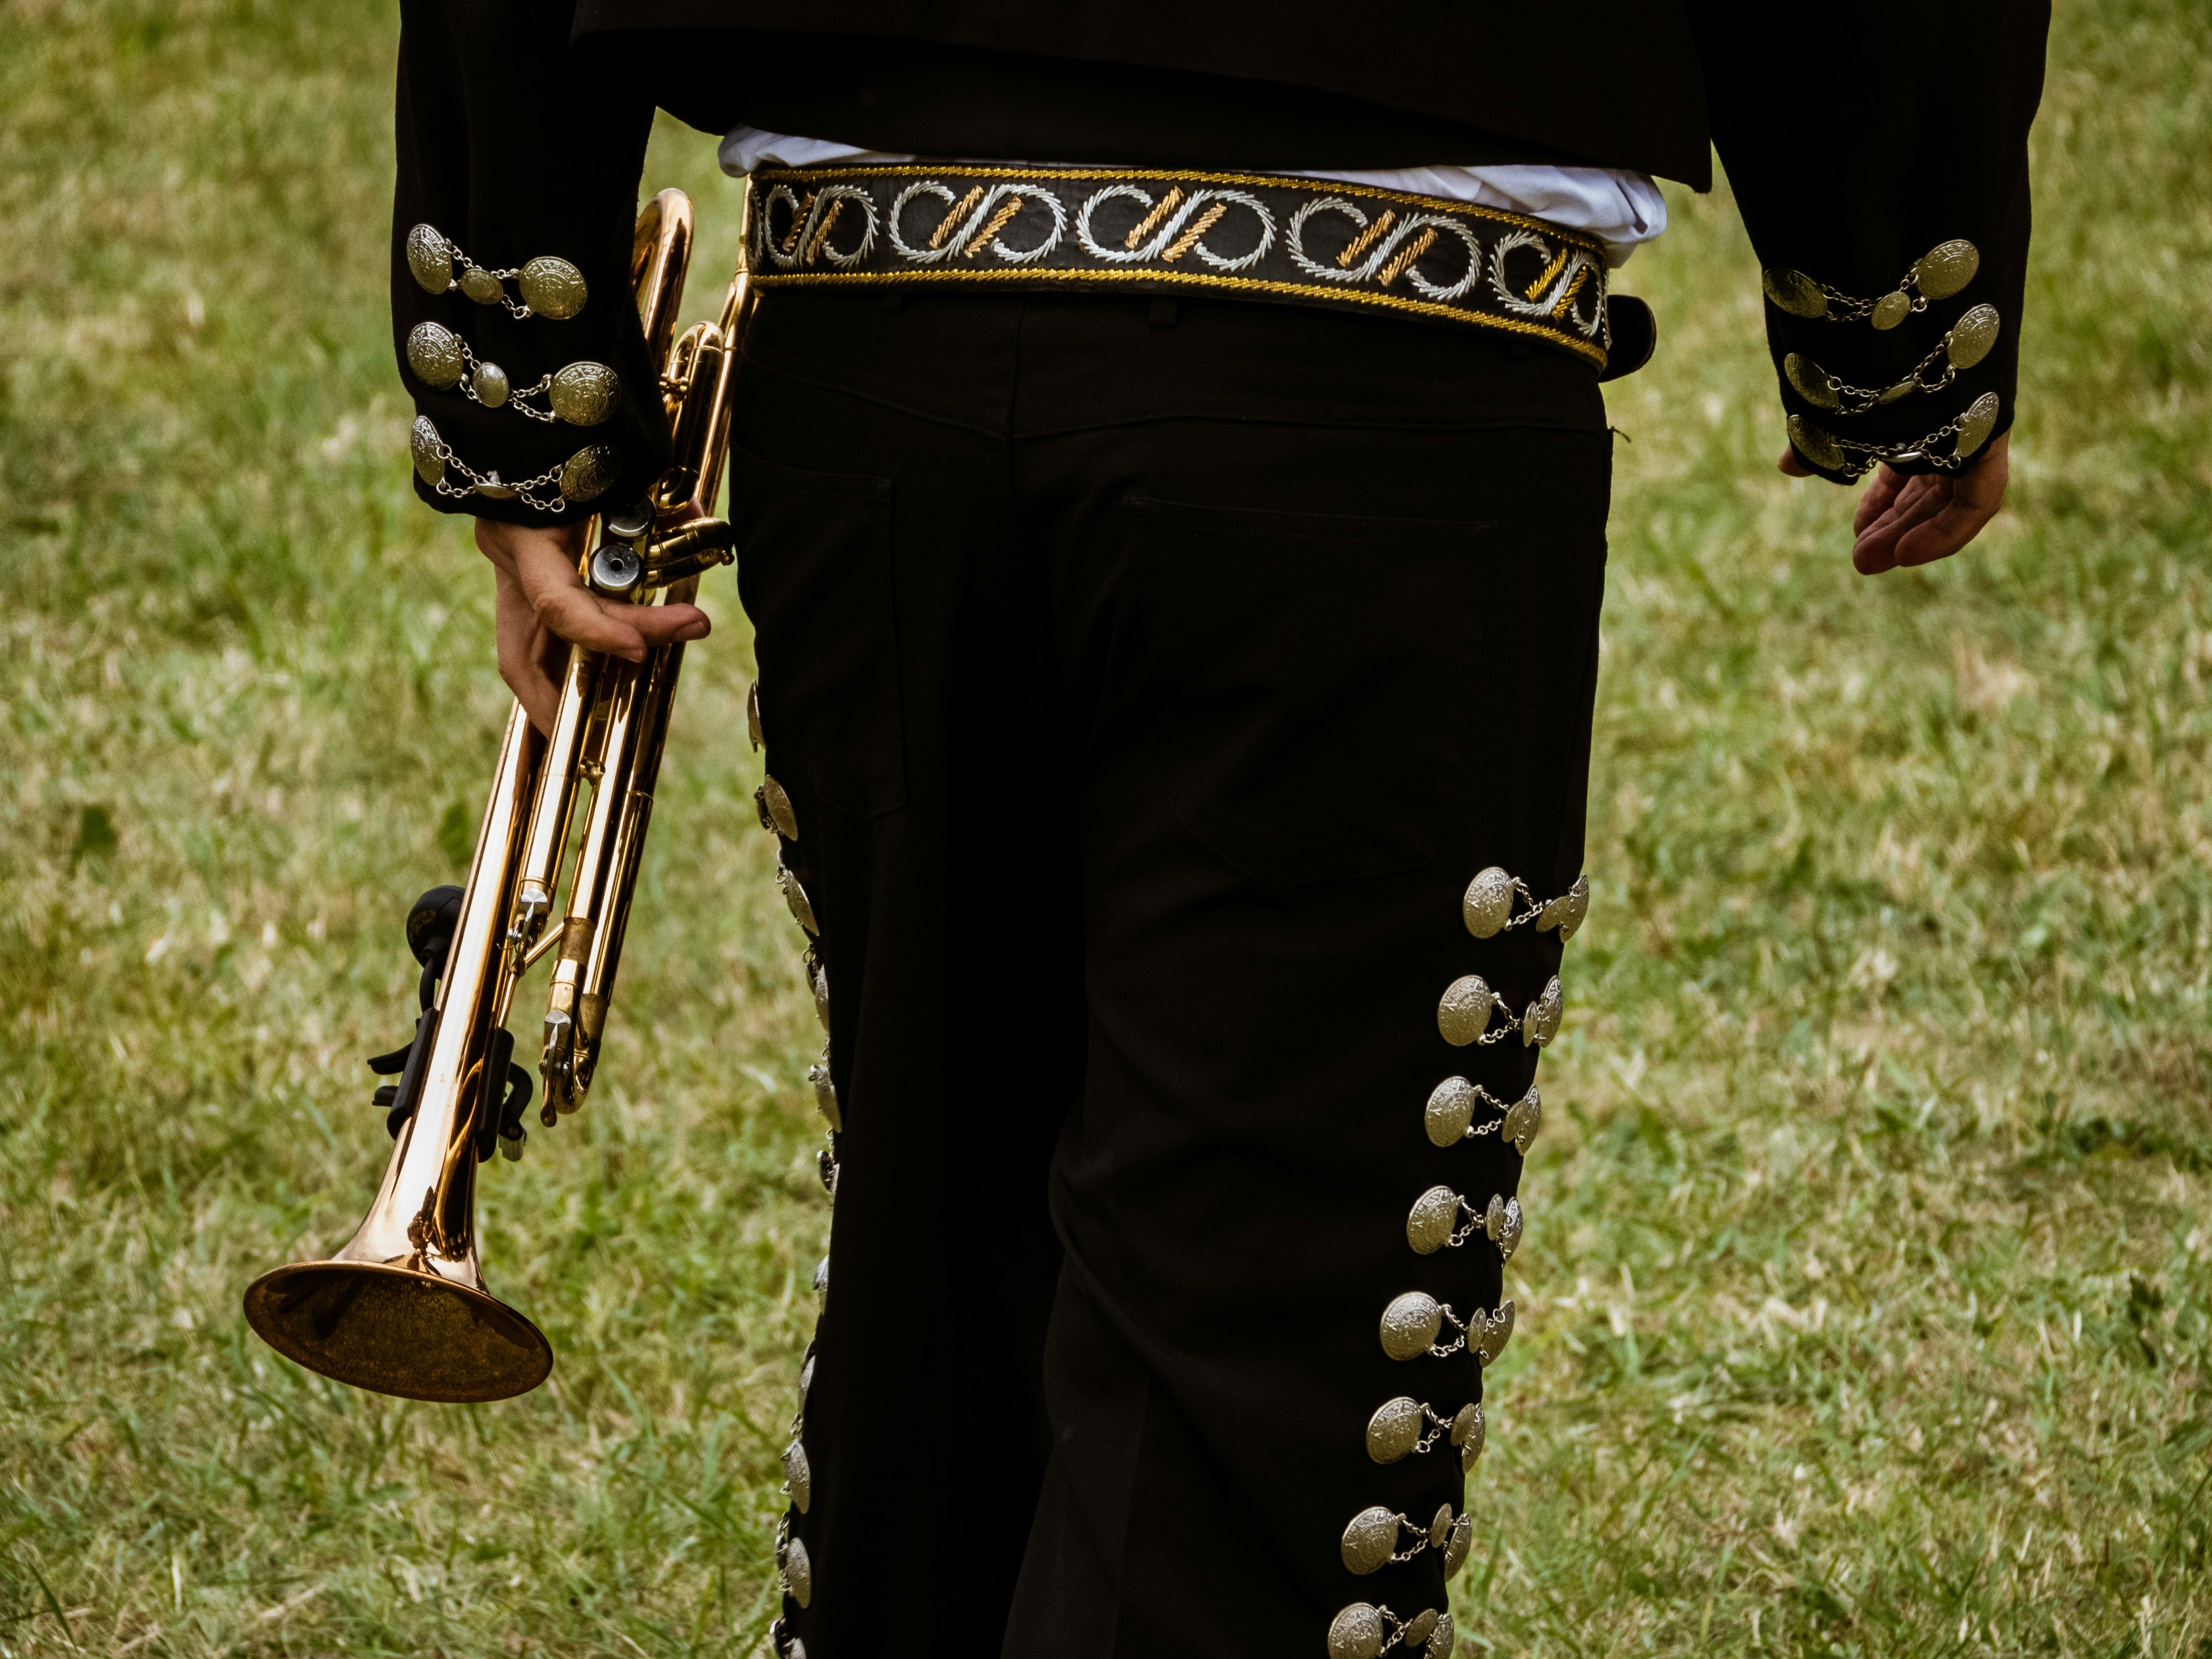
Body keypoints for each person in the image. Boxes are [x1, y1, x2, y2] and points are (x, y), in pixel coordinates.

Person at [389, 4, 2049, 1653]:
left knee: (941, 1286)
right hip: (1381, 349)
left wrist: (525, 404)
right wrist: (1901, 304)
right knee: (1245, 1351)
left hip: (887, 314)